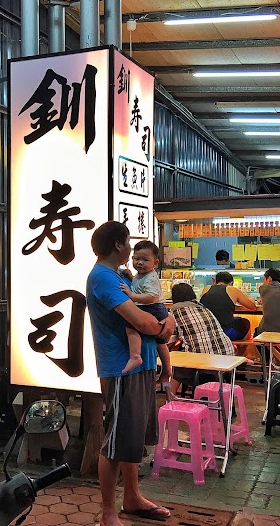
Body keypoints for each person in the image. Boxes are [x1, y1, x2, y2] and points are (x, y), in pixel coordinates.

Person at [86, 221, 174, 525]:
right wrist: (165, 327)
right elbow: (143, 323)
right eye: (129, 245)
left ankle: (133, 497)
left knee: (131, 437)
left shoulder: (120, 275)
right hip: (121, 367)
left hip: (141, 364)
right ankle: (109, 512)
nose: (133, 253)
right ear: (118, 246)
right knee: (115, 440)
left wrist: (162, 327)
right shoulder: (103, 278)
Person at [168, 283, 236, 395]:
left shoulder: (174, 312)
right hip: (227, 354)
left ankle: (171, 398)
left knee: (180, 365)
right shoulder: (203, 308)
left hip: (203, 358)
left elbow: (169, 333)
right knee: (186, 352)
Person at [119, 240, 169, 374]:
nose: (140, 263)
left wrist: (131, 295)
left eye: (145, 260)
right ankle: (167, 368)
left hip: (152, 307)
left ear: (155, 263)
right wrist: (130, 276)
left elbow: (150, 297)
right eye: (136, 259)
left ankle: (135, 356)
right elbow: (138, 284)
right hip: (156, 308)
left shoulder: (150, 278)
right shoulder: (142, 275)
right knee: (160, 342)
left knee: (130, 326)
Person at [200, 271, 255, 341]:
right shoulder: (232, 289)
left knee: (236, 319)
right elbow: (252, 307)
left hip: (207, 331)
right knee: (246, 323)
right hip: (226, 332)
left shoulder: (206, 289)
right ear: (231, 283)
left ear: (215, 281)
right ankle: (240, 351)